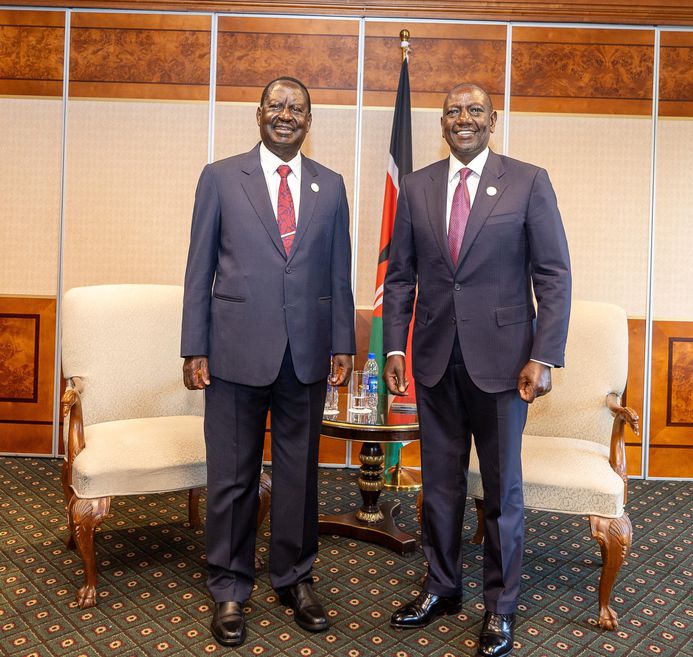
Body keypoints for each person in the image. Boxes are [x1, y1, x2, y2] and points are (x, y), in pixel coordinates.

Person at [383, 83, 571, 657]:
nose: (462, 119)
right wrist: (395, 349)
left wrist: (543, 355)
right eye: (452, 111)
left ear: (493, 119)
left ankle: (500, 605)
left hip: (505, 366)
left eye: (474, 111)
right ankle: (442, 586)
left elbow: (553, 276)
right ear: (442, 122)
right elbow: (400, 278)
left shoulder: (528, 181)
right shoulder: (416, 186)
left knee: (500, 491)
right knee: (439, 488)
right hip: (436, 361)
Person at [181, 76, 355, 647]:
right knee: (233, 476)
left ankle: (294, 578)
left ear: (309, 121)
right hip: (233, 350)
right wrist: (195, 346)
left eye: (297, 108)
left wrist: (342, 343)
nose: (286, 114)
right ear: (259, 113)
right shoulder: (221, 177)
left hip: (305, 354)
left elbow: (338, 273)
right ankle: (230, 586)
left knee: (300, 474)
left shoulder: (330, 187)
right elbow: (198, 269)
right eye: (276, 105)